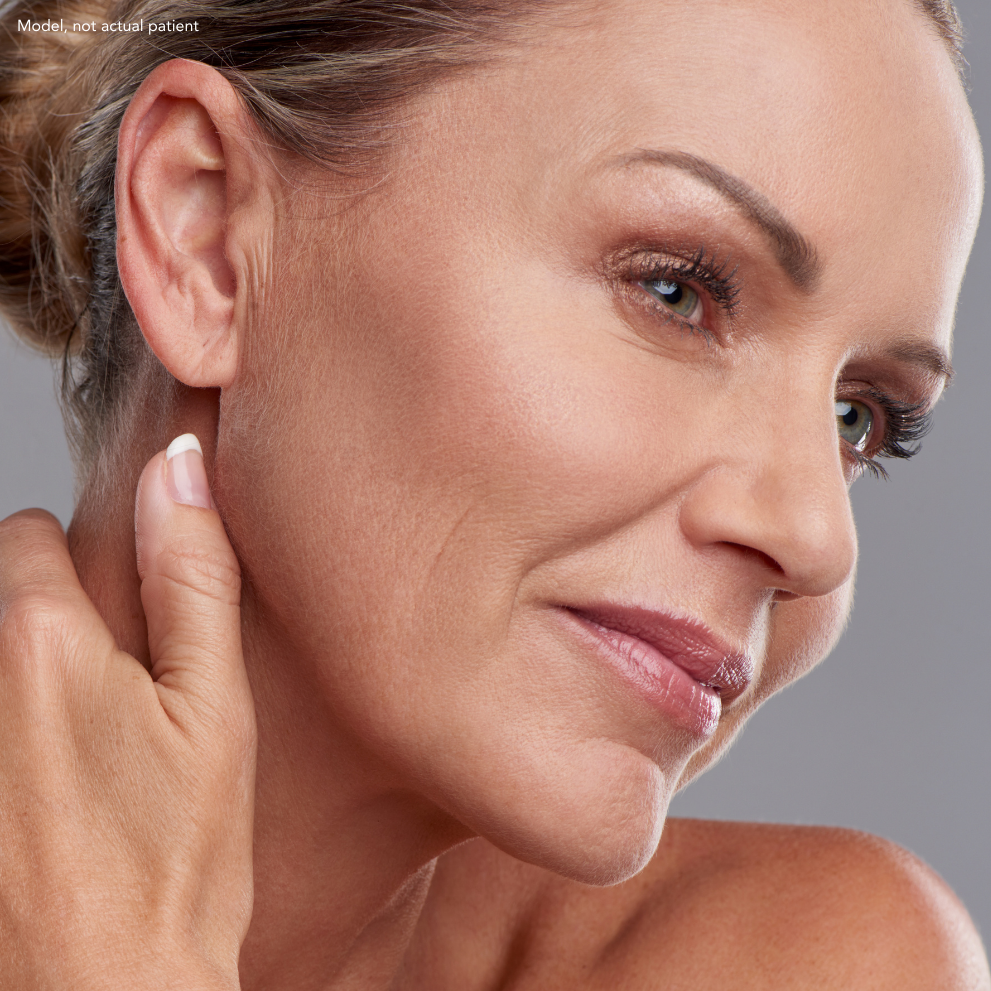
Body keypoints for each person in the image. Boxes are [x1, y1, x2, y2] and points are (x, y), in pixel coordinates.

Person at [0, 0, 987, 986]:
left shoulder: (810, 962)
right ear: (206, 233)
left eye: (858, 418)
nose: (816, 538)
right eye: (674, 292)